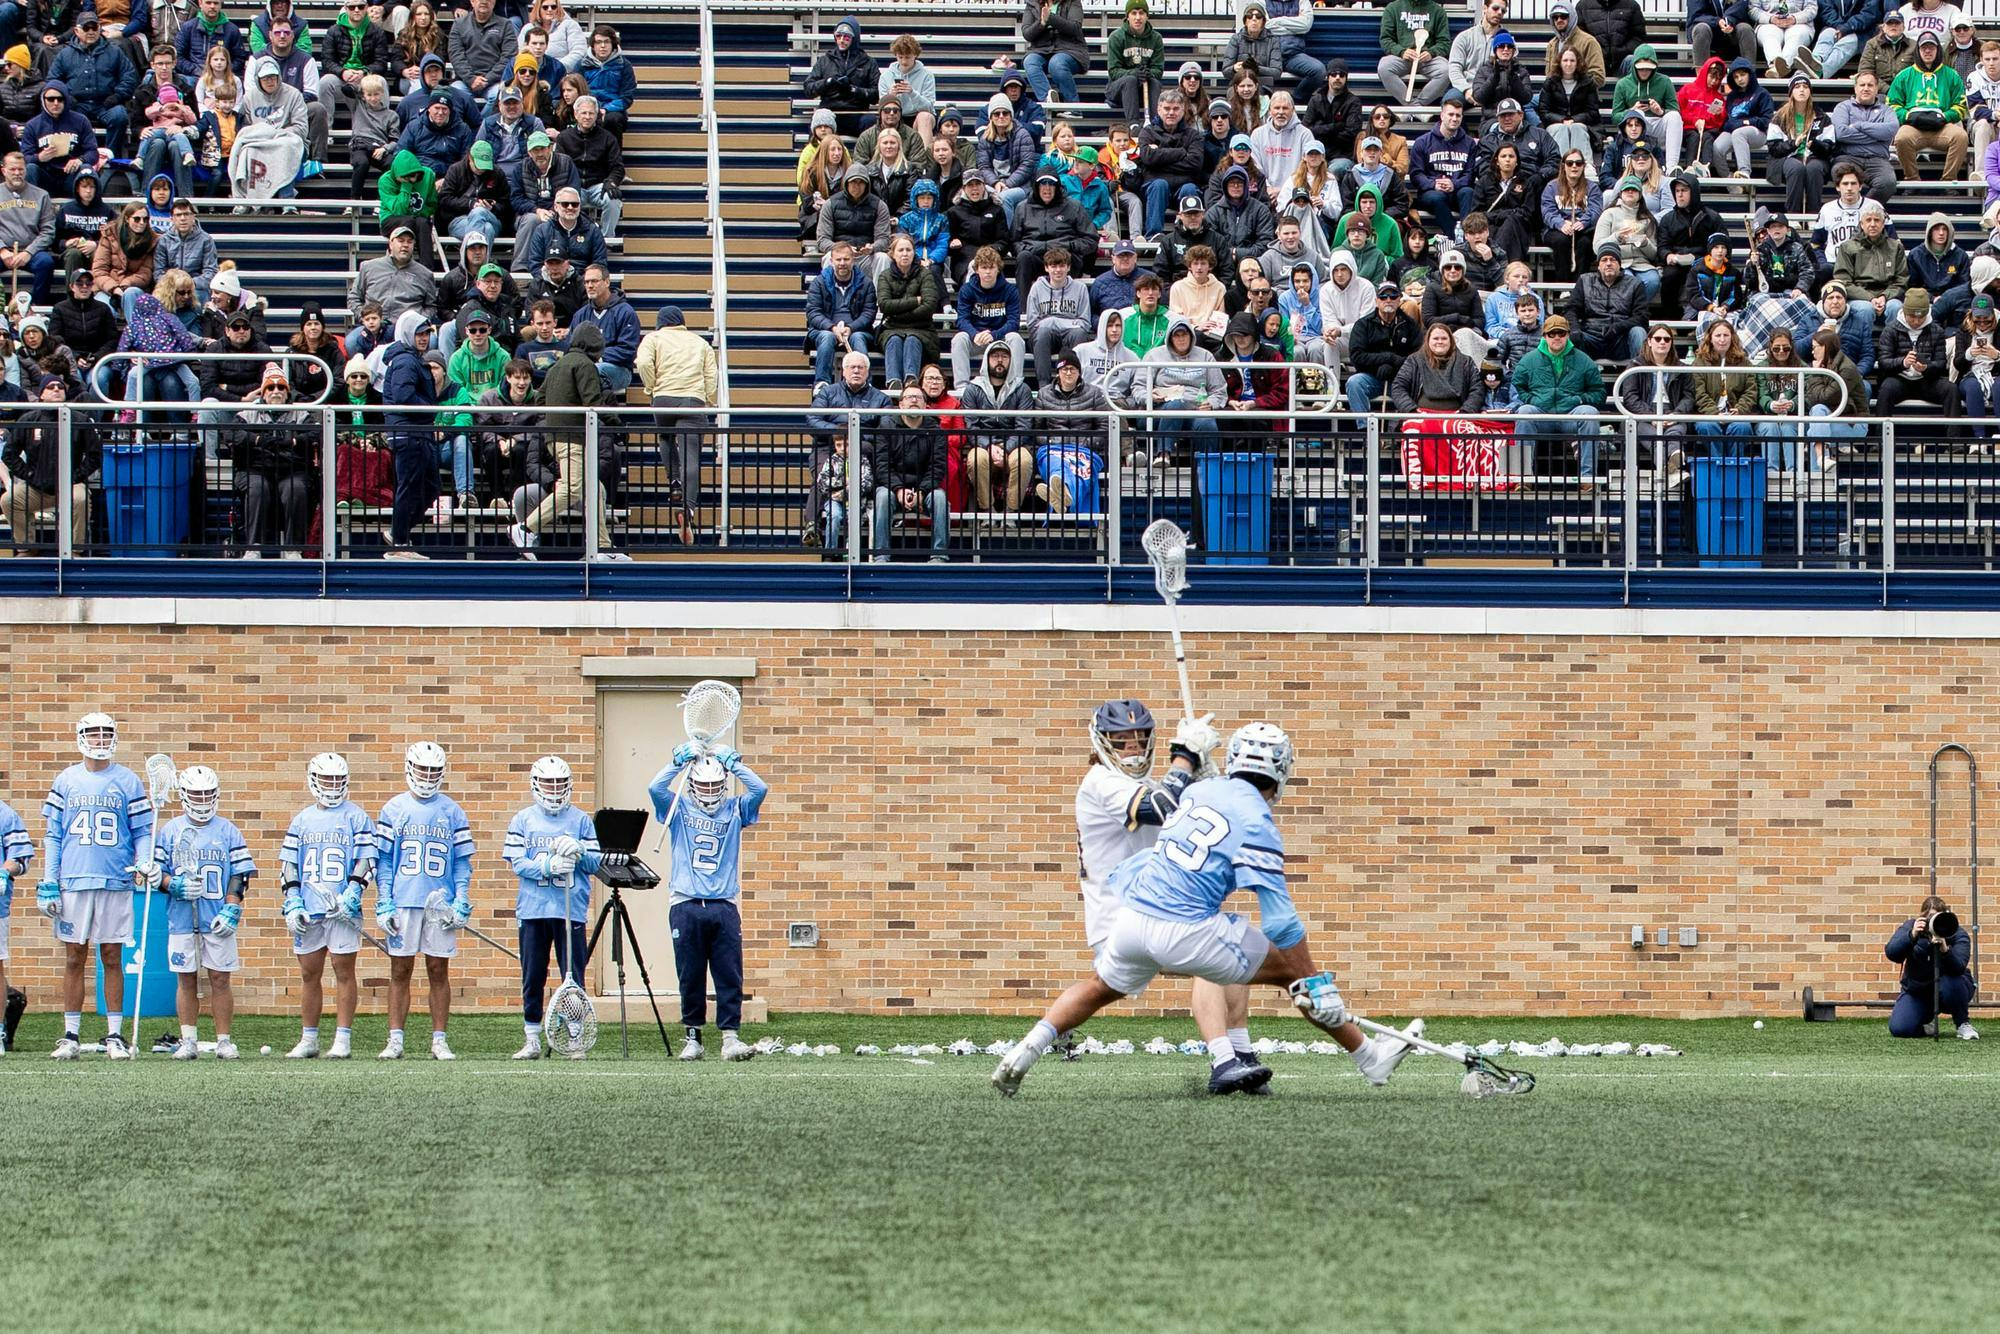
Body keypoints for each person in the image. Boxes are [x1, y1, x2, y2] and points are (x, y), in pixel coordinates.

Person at [992, 723, 1423, 1098]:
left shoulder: (1200, 789)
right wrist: (1312, 980)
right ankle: (1370, 1057)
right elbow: (1281, 922)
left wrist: (1194, 764)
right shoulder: (1258, 821)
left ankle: (1022, 1052)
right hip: (1184, 927)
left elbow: (1192, 809)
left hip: (1132, 918)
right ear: (1283, 771)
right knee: (1290, 971)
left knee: (1099, 988)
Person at [1069, 702, 1242, 1083]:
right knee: (1212, 954)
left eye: (1140, 739)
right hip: (1119, 919)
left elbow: (1201, 818)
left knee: (1230, 949)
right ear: (1102, 742)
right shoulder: (1100, 782)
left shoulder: (1145, 785)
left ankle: (1241, 1052)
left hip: (1151, 911)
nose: (1133, 747)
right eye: (1122, 740)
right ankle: (1226, 1062)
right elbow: (1158, 809)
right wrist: (1184, 757)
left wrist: (1206, 778)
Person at [648, 735, 769, 1063]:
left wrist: (735, 764)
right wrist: (676, 762)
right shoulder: (679, 807)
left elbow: (759, 789)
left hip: (723, 903)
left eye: (717, 786)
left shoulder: (735, 809)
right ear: (693, 786)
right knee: (690, 973)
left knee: (729, 973)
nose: (710, 792)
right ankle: (693, 1037)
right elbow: (655, 789)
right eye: (704, 786)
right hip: (686, 902)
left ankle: (730, 1037)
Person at [35, 715, 150, 1059]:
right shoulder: (66, 779)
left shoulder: (128, 780)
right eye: (93, 733)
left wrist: (144, 860)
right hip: (74, 879)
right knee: (74, 956)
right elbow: (54, 835)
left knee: (112, 956)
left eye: (106, 733)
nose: (100, 739)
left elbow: (143, 830)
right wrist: (49, 881)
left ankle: (114, 1034)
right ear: (81, 736)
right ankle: (70, 1035)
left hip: (115, 878)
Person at [497, 756, 602, 1061]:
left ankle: (574, 1036)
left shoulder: (581, 820)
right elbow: (517, 863)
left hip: (570, 909)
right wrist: (546, 864)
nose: (554, 789)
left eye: (559, 783)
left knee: (573, 975)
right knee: (533, 975)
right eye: (548, 783)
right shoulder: (523, 819)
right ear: (536, 784)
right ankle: (531, 1037)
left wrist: (580, 852)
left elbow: (596, 863)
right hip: (534, 909)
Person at [372, 742, 472, 1061]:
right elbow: (385, 861)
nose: (427, 776)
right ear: (409, 768)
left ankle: (439, 1040)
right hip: (404, 899)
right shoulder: (393, 808)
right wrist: (385, 900)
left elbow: (461, 862)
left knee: (437, 969)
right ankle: (395, 1039)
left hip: (439, 904)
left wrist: (461, 898)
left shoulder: (452, 811)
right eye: (422, 769)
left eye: (433, 771)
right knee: (400, 969)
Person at [148, 765, 252, 1061]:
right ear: (184, 795)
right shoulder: (170, 831)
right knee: (186, 979)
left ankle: (223, 1040)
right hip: (182, 918)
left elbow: (240, 874)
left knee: (220, 978)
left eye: (207, 793)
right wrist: (173, 885)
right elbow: (155, 875)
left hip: (216, 916)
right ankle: (189, 1039)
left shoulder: (228, 830)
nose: (203, 799)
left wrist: (232, 905)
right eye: (197, 793)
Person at [277, 753, 373, 1061]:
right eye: (326, 779)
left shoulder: (356, 816)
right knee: (309, 972)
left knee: (343, 970)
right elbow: (289, 863)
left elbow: (366, 859)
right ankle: (310, 1038)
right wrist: (292, 901)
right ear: (313, 780)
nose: (332, 786)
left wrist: (353, 892)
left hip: (342, 907)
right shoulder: (302, 819)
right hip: (311, 905)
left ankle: (342, 1038)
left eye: (337, 780)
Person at [1512, 313, 1607, 485]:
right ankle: (1522, 477)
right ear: (1544, 336)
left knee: (1590, 413)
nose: (1557, 337)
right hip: (1541, 415)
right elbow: (1518, 386)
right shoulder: (1528, 360)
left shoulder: (1584, 360)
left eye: (1561, 333)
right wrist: (1532, 399)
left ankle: (1588, 478)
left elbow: (1599, 393)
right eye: (1552, 334)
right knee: (1524, 412)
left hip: (1570, 415)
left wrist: (1579, 400)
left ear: (1568, 335)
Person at [866, 381, 949, 561]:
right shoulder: (886, 427)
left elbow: (938, 467)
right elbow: (881, 466)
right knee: (881, 497)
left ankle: (939, 555)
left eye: (918, 397)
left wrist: (922, 491)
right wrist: (898, 489)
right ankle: (881, 555)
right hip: (892, 486)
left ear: (925, 404)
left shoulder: (936, 429)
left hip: (924, 487)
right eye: (909, 397)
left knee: (940, 499)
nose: (914, 400)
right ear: (900, 404)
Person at [1885, 895, 1978, 1038]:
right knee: (1900, 1028)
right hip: (1919, 991)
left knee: (1951, 982)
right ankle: (1925, 1026)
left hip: (1951, 988)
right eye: (1930, 919)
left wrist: (1945, 949)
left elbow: (1958, 968)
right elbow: (1892, 953)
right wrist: (1912, 935)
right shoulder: (1911, 927)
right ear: (1922, 918)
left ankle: (1962, 1023)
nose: (1933, 924)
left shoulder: (1956, 933)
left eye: (1938, 918)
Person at [1890, 31, 1969, 178]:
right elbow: (1893, 104)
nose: (1927, 51)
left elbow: (1960, 105)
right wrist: (1907, 116)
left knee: (1961, 137)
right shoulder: (1904, 75)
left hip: (1942, 127)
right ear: (1918, 50)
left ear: (1938, 50)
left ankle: (1948, 180)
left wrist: (1945, 117)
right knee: (1901, 138)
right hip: (1913, 126)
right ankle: (1912, 179)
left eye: (1931, 48)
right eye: (1923, 48)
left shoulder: (1951, 75)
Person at [1833, 198, 1908, 340]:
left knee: (1896, 308)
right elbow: (1844, 282)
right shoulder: (1848, 247)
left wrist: (1884, 296)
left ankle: (1892, 348)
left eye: (1877, 220)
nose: (1872, 224)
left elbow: (1901, 280)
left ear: (1883, 223)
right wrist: (1870, 298)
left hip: (1888, 295)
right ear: (1861, 224)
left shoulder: (1895, 247)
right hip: (1859, 296)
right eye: (1868, 220)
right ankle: (1863, 348)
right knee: (1865, 309)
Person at [1343, 279, 1419, 412]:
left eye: (1393, 296)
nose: (1388, 300)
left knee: (1418, 384)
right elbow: (1357, 357)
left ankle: (1403, 428)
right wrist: (1385, 359)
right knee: (1354, 383)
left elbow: (1417, 358)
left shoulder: (1410, 325)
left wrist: (1395, 365)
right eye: (1383, 296)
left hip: (1401, 379)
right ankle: (1364, 428)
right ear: (1376, 301)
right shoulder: (1363, 325)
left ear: (1400, 300)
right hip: (1372, 376)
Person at [1873, 286, 1949, 415]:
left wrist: (1926, 367)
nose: (1916, 321)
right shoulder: (1890, 330)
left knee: (1950, 389)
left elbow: (1941, 364)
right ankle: (1880, 434)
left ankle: (1954, 435)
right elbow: (1883, 362)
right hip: (1899, 379)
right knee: (1886, 389)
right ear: (1904, 312)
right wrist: (1903, 362)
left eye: (1921, 317)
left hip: (1927, 381)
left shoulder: (1937, 331)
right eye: (1912, 317)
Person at [1570, 242, 1648, 362]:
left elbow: (1642, 317)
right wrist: (1575, 329)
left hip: (1621, 339)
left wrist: (1618, 327)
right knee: (1571, 336)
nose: (1608, 263)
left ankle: (1640, 377)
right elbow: (1571, 309)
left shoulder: (1635, 284)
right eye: (1604, 260)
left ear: (1619, 264)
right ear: (1598, 265)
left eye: (1613, 260)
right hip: (1591, 337)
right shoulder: (1584, 281)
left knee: (1638, 332)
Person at [1690, 316, 1758, 453]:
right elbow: (1699, 393)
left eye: (1726, 335)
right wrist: (1715, 413)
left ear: (1732, 337)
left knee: (1742, 427)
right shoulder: (1699, 363)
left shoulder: (1744, 362)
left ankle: (1734, 468)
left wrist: (1740, 409)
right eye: (1718, 335)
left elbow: (1751, 391)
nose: (1722, 339)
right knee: (1707, 426)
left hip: (1736, 414)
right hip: (1709, 415)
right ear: (1710, 338)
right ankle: (1718, 464)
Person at [1830, 69, 1901, 201]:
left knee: (1888, 183)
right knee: (1839, 173)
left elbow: (1891, 130)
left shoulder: (1887, 110)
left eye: (1870, 85)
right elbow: (1841, 133)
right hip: (1848, 158)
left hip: (1878, 160)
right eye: (1862, 85)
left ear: (1876, 89)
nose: (1866, 88)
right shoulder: (1843, 107)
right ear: (1855, 88)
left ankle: (1863, 212)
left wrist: (1859, 125)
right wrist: (1877, 136)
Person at [1540, 148, 1602, 282]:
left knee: (1585, 243)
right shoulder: (1551, 187)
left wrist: (1584, 222)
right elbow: (1547, 211)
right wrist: (1561, 223)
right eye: (1570, 163)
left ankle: (1579, 284)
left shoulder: (1592, 188)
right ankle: (1562, 285)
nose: (1574, 166)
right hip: (1557, 229)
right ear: (1563, 166)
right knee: (1560, 241)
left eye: (1578, 163)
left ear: (1583, 166)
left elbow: (1596, 209)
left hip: (1584, 228)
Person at [1376, 0, 1450, 105]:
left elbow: (1444, 42)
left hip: (1428, 60)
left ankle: (1417, 105)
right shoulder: (1393, 8)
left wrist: (1431, 53)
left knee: (1446, 70)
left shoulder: (1438, 11)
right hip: (1402, 58)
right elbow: (1385, 39)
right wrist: (1401, 51)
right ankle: (1414, 107)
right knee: (1384, 67)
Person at [1809, 0, 1880, 79]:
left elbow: (1868, 14)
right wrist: (1840, 28)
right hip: (1835, 26)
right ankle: (1815, 59)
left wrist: (1846, 28)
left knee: (1845, 44)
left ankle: (1821, 73)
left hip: (1861, 32)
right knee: (1827, 35)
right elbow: (1826, 10)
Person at [1753, 0, 1817, 78]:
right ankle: (1776, 63)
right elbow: (1753, 9)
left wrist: (1795, 18)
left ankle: (1777, 69)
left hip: (1800, 23)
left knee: (1797, 35)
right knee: (1769, 35)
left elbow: (1812, 8)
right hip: (1768, 23)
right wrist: (1771, 19)